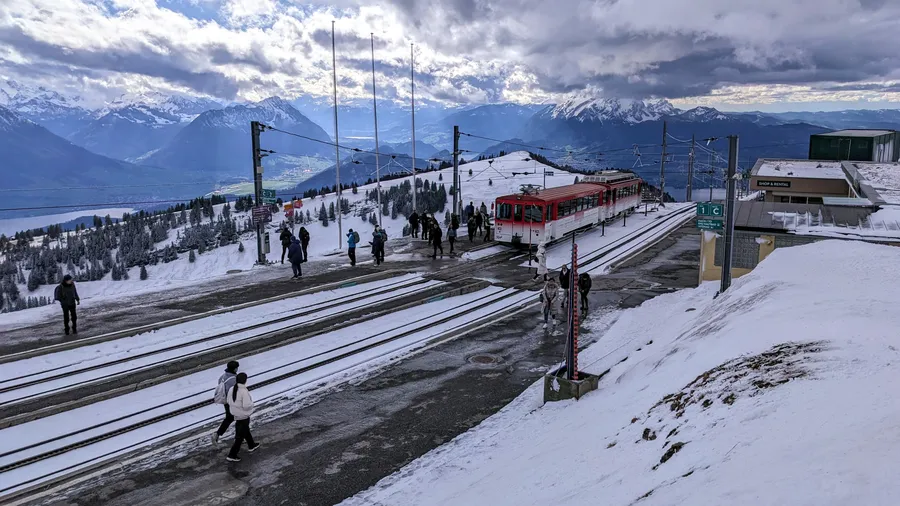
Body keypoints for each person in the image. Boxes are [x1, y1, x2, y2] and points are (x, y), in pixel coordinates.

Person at [226, 373, 260, 462]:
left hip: (236, 414)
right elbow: (246, 405)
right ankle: (232, 455)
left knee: (244, 429)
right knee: (240, 437)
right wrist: (252, 404)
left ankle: (251, 445)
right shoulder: (243, 391)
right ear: (245, 380)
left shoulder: (231, 389)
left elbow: (228, 401)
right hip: (243, 415)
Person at [212, 360, 240, 445]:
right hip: (232, 402)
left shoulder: (222, 377)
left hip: (225, 402)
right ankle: (239, 438)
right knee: (240, 418)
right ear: (234, 369)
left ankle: (217, 434)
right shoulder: (234, 379)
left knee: (230, 418)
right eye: (236, 368)